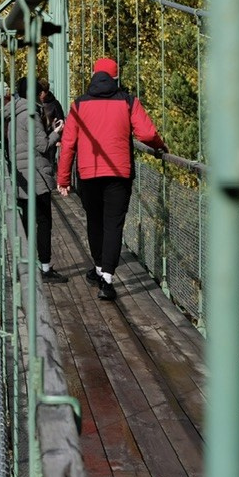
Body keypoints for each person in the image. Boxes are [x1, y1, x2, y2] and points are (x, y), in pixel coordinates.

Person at [57, 57, 168, 301]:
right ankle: (107, 279)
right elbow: (147, 133)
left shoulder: (79, 105)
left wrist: (63, 178)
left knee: (94, 221)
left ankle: (98, 268)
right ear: (116, 78)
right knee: (113, 224)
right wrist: (161, 146)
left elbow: (68, 144)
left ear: (94, 76)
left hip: (88, 174)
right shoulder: (128, 101)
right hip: (119, 173)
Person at [14, 76, 67, 283]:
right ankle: (44, 268)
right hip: (35, 173)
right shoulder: (31, 114)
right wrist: (56, 132)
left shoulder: (13, 112)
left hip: (21, 174)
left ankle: (25, 268)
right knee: (44, 221)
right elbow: (43, 145)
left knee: (26, 221)